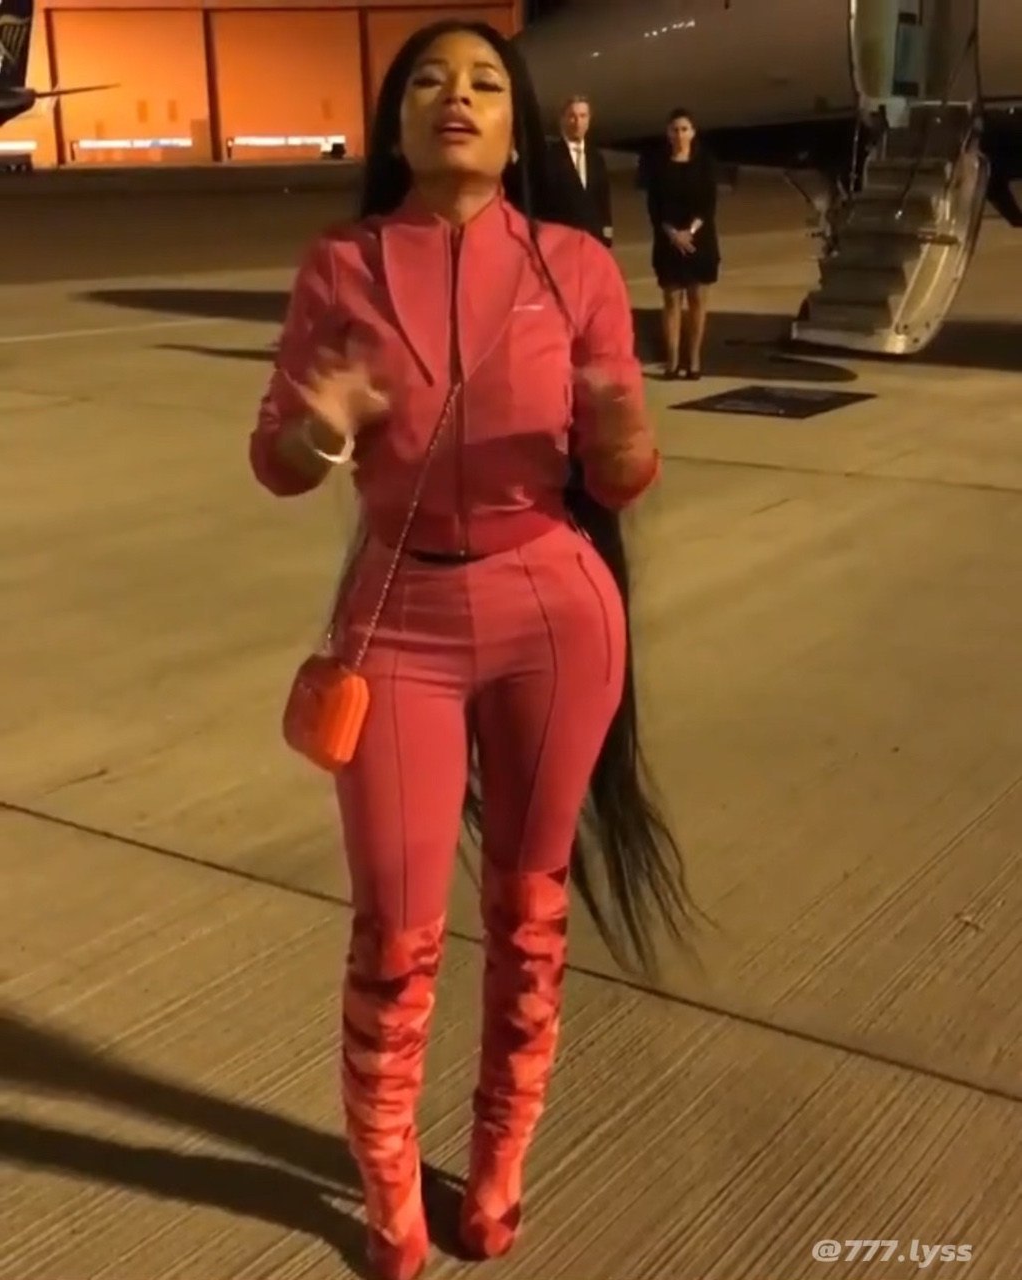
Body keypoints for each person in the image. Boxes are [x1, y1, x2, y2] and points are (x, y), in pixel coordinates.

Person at [249, 18, 692, 1280]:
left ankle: (501, 1156)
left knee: (529, 911)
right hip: (400, 623)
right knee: (395, 931)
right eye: (430, 82)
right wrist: (320, 432)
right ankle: (388, 1177)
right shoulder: (341, 265)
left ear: (517, 126)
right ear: (397, 123)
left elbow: (621, 468)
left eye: (486, 83)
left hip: (554, 611)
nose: (458, 97)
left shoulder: (573, 265)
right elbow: (275, 458)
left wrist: (622, 443)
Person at [645, 107, 721, 379]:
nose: (679, 135)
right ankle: (673, 360)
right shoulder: (659, 166)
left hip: (700, 239)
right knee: (671, 300)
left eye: (684, 129)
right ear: (668, 134)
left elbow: (708, 205)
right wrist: (673, 234)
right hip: (668, 240)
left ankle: (694, 360)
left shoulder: (705, 164)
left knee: (697, 300)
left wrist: (689, 231)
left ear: (693, 132)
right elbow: (654, 207)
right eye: (675, 130)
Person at [546, 94, 613, 245]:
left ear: (589, 120)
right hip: (563, 240)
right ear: (562, 119)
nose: (578, 122)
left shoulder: (596, 158)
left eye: (583, 116)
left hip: (593, 239)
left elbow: (603, 201)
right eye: (572, 116)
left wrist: (607, 236)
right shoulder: (550, 157)